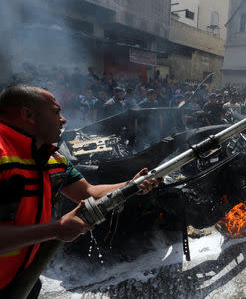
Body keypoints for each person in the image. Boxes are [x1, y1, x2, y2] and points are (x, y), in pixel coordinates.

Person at [0, 84, 158, 298]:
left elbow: (88, 192)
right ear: (28, 115)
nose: (63, 119)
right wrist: (56, 229)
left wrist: (131, 185)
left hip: (23, 281)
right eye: (56, 112)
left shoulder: (52, 158)